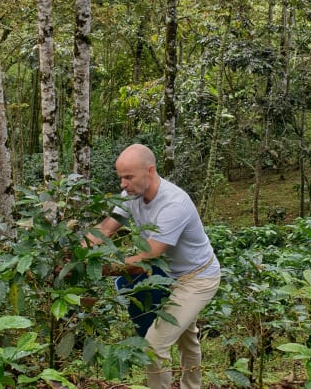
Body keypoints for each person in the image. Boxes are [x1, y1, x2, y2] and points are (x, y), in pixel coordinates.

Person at [90, 143, 221, 389]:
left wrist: (105, 269)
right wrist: (75, 251)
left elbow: (147, 257)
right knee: (186, 338)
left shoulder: (174, 204)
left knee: (154, 345)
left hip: (198, 278)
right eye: (121, 178)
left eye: (129, 177)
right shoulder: (132, 196)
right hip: (168, 276)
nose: (123, 184)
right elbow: (106, 228)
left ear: (149, 171)